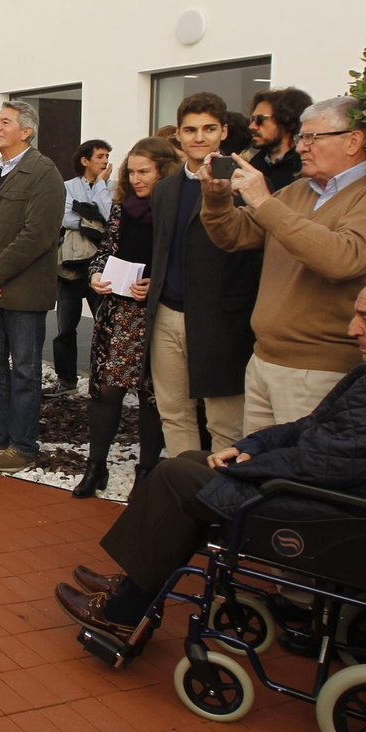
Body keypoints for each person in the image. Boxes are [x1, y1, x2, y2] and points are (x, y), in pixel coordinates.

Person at [55, 265, 366, 642]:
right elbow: (319, 431)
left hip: (344, 512)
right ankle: (133, 583)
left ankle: (125, 613)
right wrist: (252, 445)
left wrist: (255, 465)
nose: (353, 329)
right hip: (356, 495)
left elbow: (328, 459)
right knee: (191, 462)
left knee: (176, 476)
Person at [201, 95, 366, 433]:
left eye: (312, 138)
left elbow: (341, 259)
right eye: (302, 137)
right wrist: (216, 197)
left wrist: (264, 202)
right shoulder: (300, 191)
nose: (301, 147)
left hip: (320, 371)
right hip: (264, 360)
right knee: (255, 473)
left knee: (295, 475)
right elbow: (234, 235)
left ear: (354, 141)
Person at [142, 93, 261, 460]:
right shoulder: (165, 189)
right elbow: (163, 249)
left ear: (223, 132)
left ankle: (218, 502)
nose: (199, 137)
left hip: (220, 320)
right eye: (190, 130)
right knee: (174, 415)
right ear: (178, 135)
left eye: (208, 129)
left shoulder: (245, 187)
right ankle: (185, 495)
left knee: (224, 423)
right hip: (165, 314)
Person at [0, 101, 66, 473]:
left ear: (27, 131)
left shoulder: (43, 173)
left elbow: (38, 235)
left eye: (5, 122)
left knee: (24, 370)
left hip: (22, 293)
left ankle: (24, 445)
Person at [71, 137, 180, 497]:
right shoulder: (121, 207)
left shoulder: (176, 207)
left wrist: (157, 284)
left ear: (164, 171)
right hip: (119, 311)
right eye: (131, 171)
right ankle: (95, 466)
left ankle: (146, 472)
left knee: (152, 394)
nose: (136, 179)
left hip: (157, 313)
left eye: (144, 171)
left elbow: (183, 262)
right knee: (106, 390)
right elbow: (106, 249)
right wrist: (95, 276)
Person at [54, 139, 113, 394]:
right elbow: (65, 217)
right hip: (71, 267)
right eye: (100, 156)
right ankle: (66, 380)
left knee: (103, 327)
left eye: (107, 156)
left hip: (100, 268)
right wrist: (93, 221)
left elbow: (111, 216)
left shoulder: (111, 186)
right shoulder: (67, 187)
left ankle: (104, 382)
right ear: (85, 160)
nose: (105, 161)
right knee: (65, 328)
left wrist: (99, 187)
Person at [245, 86, 312, 193]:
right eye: (252, 119)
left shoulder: (306, 168)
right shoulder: (254, 165)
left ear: (287, 122)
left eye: (259, 119)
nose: (252, 126)